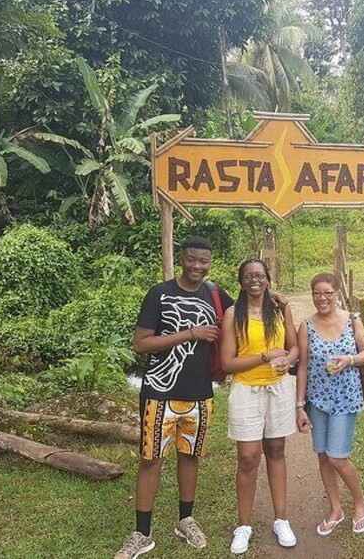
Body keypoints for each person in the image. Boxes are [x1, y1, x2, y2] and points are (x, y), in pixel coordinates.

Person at [115, 236, 234, 559]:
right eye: (192, 259)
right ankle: (142, 533)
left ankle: (186, 519)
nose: (197, 266)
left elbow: (248, 313)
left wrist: (275, 299)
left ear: (210, 262)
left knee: (190, 456)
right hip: (159, 392)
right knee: (151, 459)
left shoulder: (216, 295)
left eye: (204, 261)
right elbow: (140, 344)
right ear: (182, 259)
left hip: (200, 394)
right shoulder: (159, 294)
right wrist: (190, 334)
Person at [220, 259, 300, 555]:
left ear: (268, 279)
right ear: (241, 282)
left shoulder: (279, 309)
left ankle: (281, 519)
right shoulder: (233, 314)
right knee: (248, 457)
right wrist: (265, 357)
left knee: (277, 450)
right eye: (249, 276)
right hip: (246, 390)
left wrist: (287, 361)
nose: (255, 279)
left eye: (260, 275)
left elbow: (294, 347)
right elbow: (228, 362)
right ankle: (244, 525)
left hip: (278, 389)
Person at [295, 273, 364, 537]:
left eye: (328, 292)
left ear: (338, 293)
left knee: (337, 457)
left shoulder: (352, 320)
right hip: (317, 401)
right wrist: (300, 406)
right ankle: (336, 509)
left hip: (345, 398)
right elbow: (303, 367)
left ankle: (362, 503)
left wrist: (349, 360)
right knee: (323, 457)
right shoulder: (306, 326)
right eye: (317, 293)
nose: (322, 298)